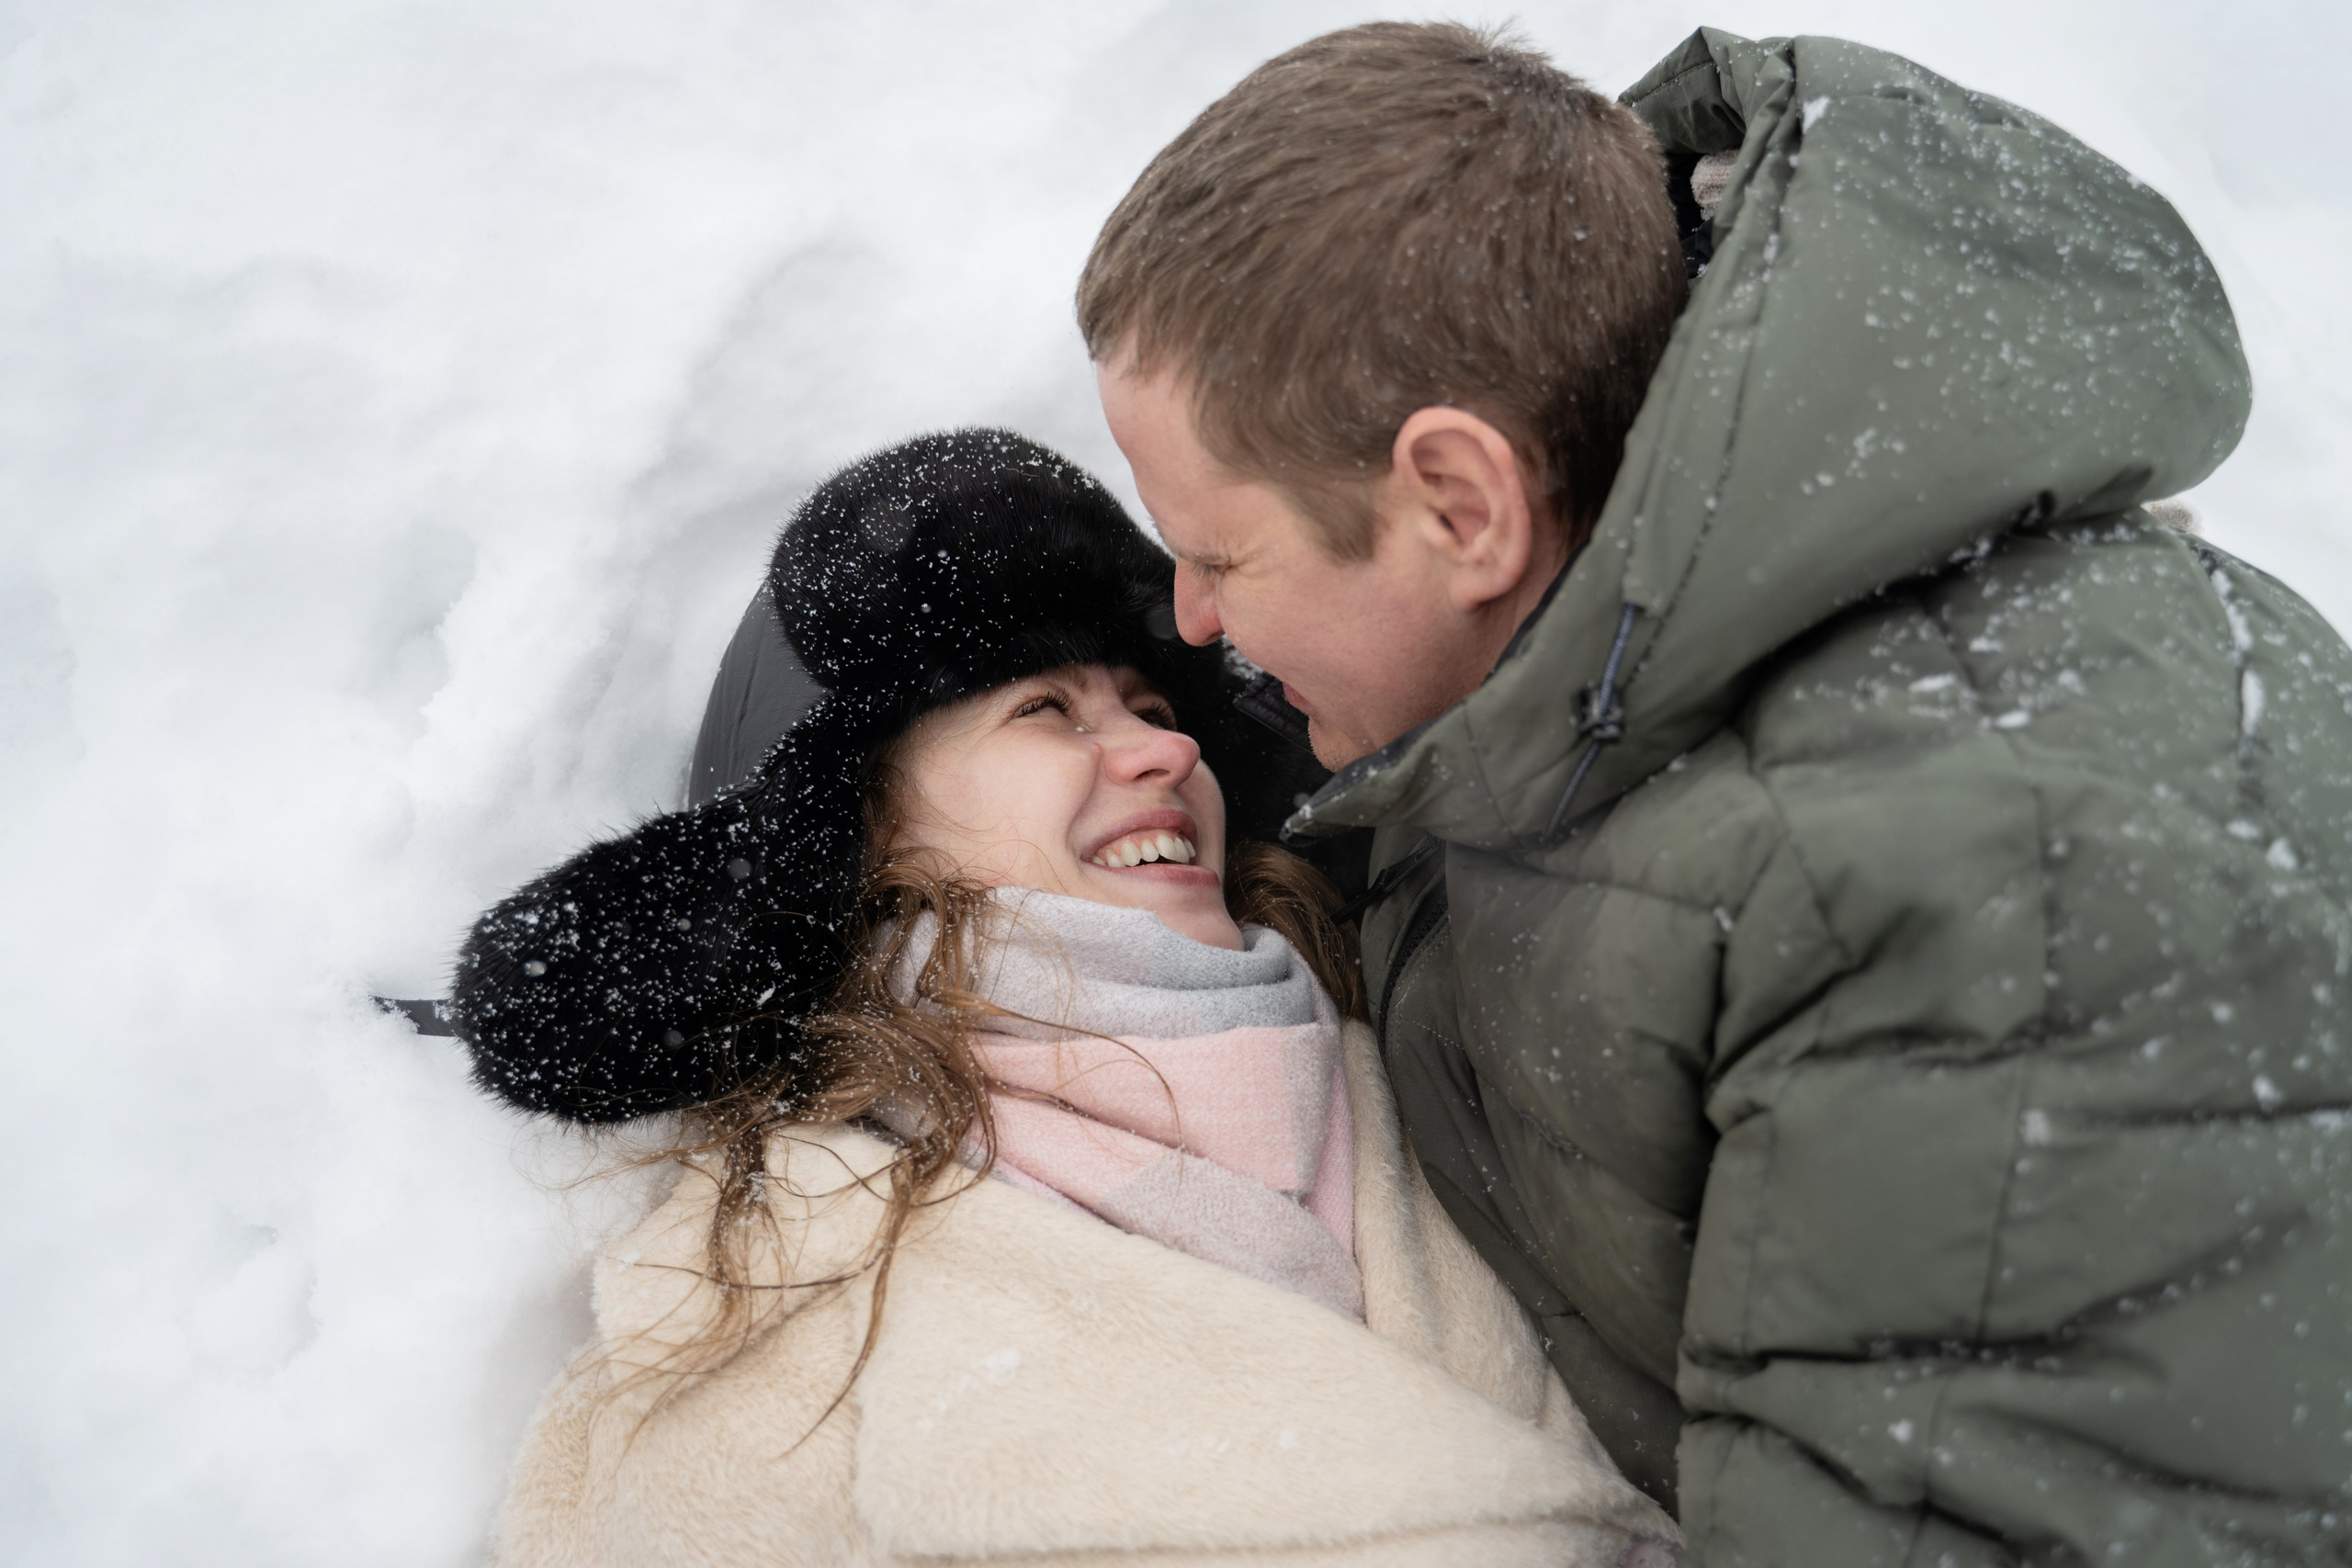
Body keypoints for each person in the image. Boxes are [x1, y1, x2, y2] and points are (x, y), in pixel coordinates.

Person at [1080, 21, 2352, 1564]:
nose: (1194, 618)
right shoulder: (1595, 621)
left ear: (1461, 507)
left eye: (1219, 553)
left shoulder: (2000, 910)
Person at [453, 431, 1679, 1566]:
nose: (1169, 750)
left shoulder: (1432, 1078)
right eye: (1047, 710)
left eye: (1154, 708)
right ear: (867, 834)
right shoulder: (771, 1310)